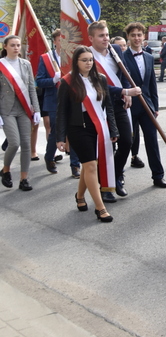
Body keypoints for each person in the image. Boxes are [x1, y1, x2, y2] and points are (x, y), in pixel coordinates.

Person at [55, 46, 118, 223]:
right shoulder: (67, 82)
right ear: (76, 62)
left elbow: (109, 107)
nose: (88, 63)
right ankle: (100, 208)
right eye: (84, 60)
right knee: (91, 166)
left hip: (98, 126)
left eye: (90, 59)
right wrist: (60, 137)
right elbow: (61, 112)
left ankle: (80, 196)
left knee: (88, 165)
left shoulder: (101, 79)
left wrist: (113, 129)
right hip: (78, 128)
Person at [89, 20, 141, 203]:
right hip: (98, 105)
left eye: (107, 35)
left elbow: (123, 73)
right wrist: (124, 91)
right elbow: (96, 83)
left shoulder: (115, 50)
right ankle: (106, 186)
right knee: (106, 147)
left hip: (118, 104)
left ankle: (117, 175)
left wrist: (126, 91)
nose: (106, 39)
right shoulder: (87, 56)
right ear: (92, 38)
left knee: (127, 141)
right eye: (101, 36)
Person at [122, 22, 166, 188]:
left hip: (147, 106)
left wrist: (155, 106)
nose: (136, 38)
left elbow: (151, 85)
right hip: (128, 107)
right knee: (126, 141)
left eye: (139, 35)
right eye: (133, 35)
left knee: (152, 141)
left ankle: (158, 176)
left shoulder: (149, 57)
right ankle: (118, 176)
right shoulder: (121, 58)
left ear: (144, 36)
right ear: (128, 37)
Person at [0, 35, 41, 191]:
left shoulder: (26, 64)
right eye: (12, 45)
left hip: (24, 109)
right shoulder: (1, 65)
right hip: (6, 109)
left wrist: (36, 109)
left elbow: (31, 88)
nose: (16, 48)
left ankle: (24, 178)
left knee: (26, 144)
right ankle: (6, 170)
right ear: (5, 47)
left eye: (18, 45)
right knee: (14, 142)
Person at [36, 29, 76, 176]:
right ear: (55, 41)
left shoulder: (73, 56)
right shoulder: (46, 58)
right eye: (60, 40)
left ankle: (75, 165)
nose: (63, 43)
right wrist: (54, 79)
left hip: (71, 99)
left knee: (73, 130)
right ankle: (49, 156)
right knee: (56, 131)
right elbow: (39, 81)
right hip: (53, 100)